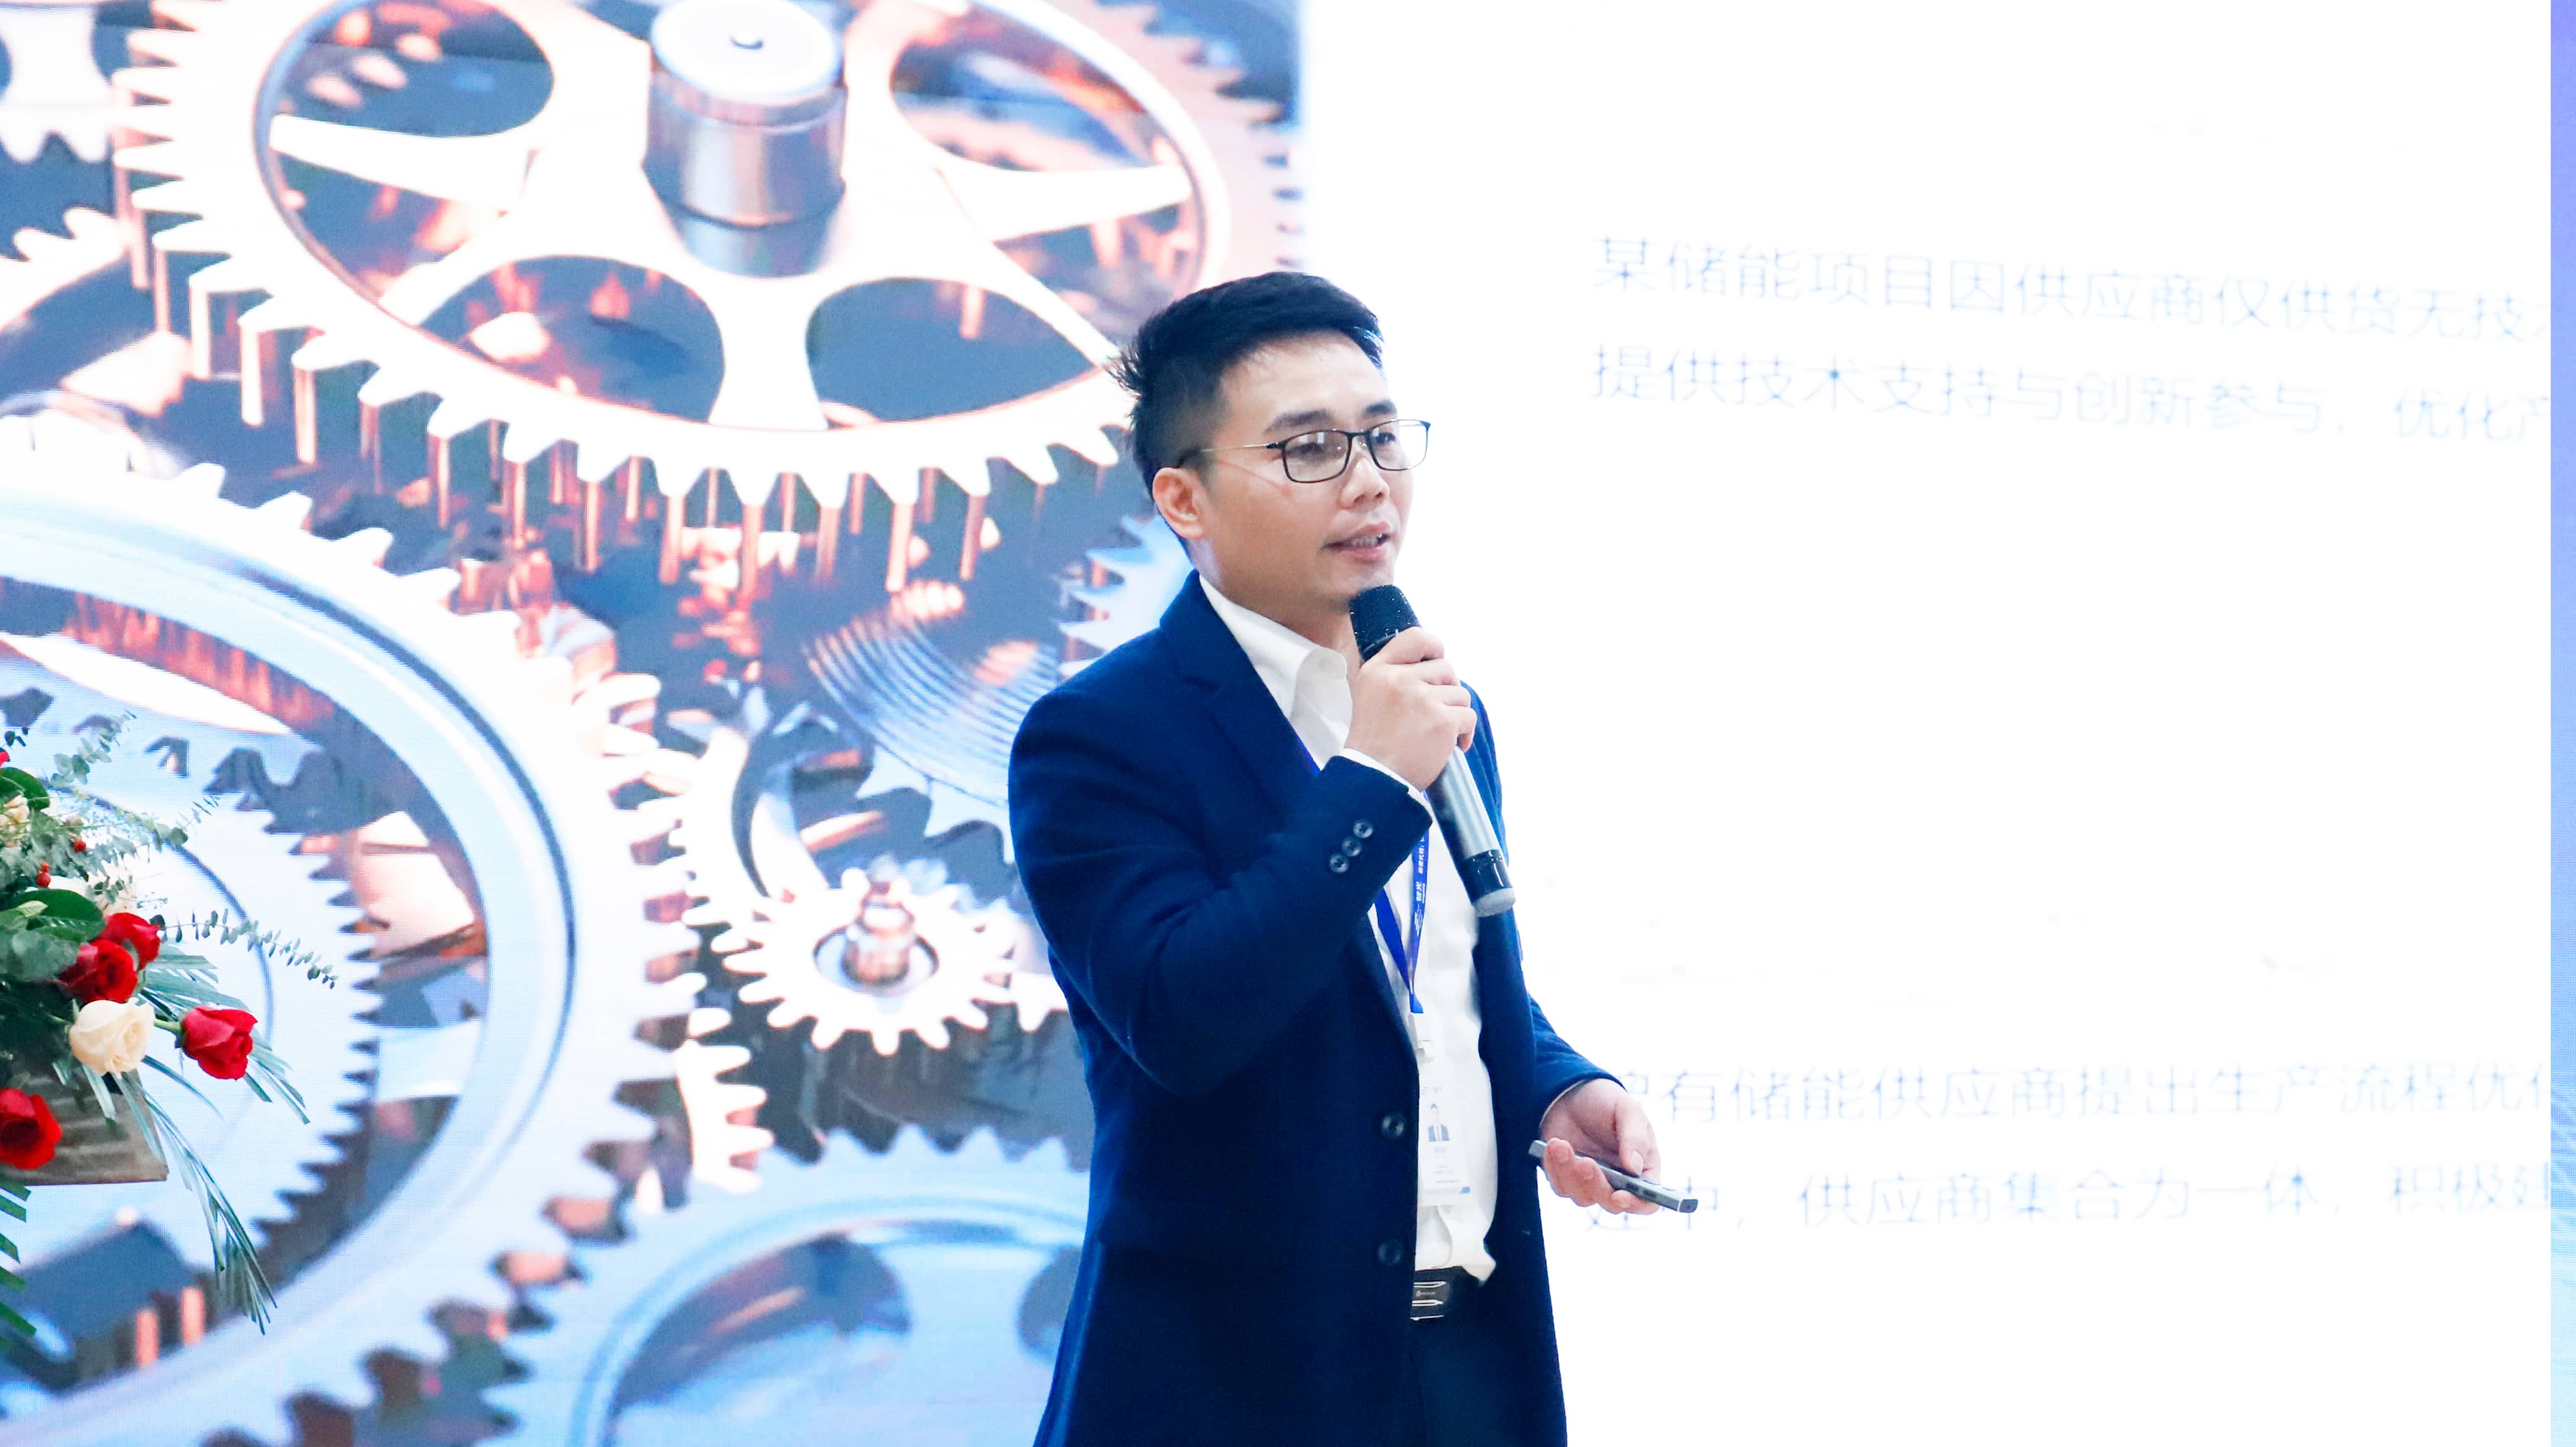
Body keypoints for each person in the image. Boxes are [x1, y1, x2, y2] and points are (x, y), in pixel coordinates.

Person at [1007, 271, 1663, 1447]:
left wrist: (1555, 1083)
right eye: (1308, 448)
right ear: (1185, 498)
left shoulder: (1437, 703)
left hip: (1472, 1360)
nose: (1368, 482)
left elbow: (1426, 976)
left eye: (1382, 437)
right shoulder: (1101, 734)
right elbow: (1183, 1015)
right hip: (1231, 1388)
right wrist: (1370, 778)